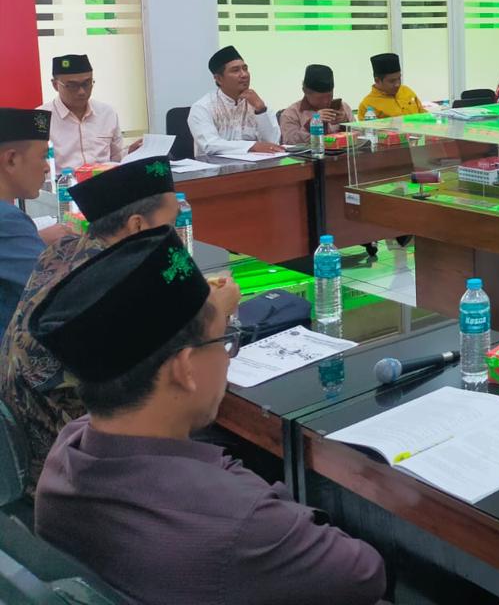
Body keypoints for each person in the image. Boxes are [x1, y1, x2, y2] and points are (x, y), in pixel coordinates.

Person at [31, 226, 386, 605]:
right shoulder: (244, 524)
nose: (227, 358)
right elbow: (366, 574)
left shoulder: (65, 455)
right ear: (184, 369)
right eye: (224, 341)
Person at [0, 156, 179, 491]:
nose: (176, 238)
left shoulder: (64, 250)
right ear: (138, 226)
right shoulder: (109, 282)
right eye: (171, 225)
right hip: (66, 468)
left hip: (22, 448)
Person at [0, 108, 69, 336]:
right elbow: (59, 293)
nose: (47, 167)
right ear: (11, 159)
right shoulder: (8, 220)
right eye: (42, 156)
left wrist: (36, 239)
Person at [41, 54, 133, 170]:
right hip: (63, 186)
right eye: (72, 86)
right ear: (55, 85)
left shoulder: (107, 113)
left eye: (87, 83)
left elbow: (117, 158)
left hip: (103, 183)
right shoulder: (41, 119)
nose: (81, 92)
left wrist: (131, 152)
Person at [188, 46, 284, 157]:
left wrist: (261, 111)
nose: (244, 75)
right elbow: (210, 144)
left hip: (256, 169)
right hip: (216, 171)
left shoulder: (257, 103)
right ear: (218, 79)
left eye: (245, 68)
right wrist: (252, 146)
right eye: (235, 70)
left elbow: (273, 143)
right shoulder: (203, 107)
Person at [279, 64, 354, 144]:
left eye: (329, 96)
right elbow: (289, 142)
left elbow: (360, 136)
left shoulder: (343, 108)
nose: (326, 101)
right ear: (305, 91)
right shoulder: (291, 114)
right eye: (320, 98)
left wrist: (345, 123)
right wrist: (312, 125)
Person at [358, 52, 425, 119]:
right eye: (392, 81)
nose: (397, 84)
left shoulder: (407, 91)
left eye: (399, 78)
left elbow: (423, 115)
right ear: (377, 80)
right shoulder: (367, 105)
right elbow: (366, 129)